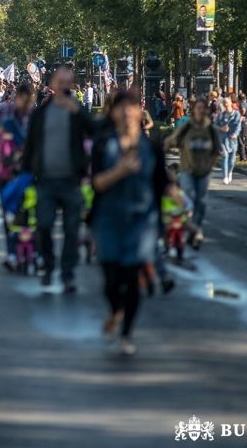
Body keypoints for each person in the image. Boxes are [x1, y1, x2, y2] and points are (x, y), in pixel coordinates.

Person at [90, 89, 168, 356]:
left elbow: (161, 186)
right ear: (112, 113)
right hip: (108, 219)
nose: (125, 112)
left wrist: (165, 218)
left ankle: (126, 334)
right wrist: (120, 171)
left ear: (139, 111)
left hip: (142, 220)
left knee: (132, 277)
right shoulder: (103, 145)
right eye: (120, 107)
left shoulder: (152, 148)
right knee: (112, 278)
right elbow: (97, 184)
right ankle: (115, 310)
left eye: (131, 106)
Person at [22, 67, 93, 293]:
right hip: (45, 180)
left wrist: (79, 113)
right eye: (59, 81)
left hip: (71, 180)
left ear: (71, 85)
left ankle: (68, 273)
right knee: (43, 225)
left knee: (72, 229)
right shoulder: (41, 113)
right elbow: (31, 144)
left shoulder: (77, 110)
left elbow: (96, 130)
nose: (63, 86)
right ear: (52, 83)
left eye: (67, 82)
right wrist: (25, 174)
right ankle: (48, 265)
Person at [0, 83, 35, 270]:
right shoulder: (4, 111)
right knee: (9, 213)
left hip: (29, 172)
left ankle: (31, 251)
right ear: (17, 97)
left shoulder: (34, 116)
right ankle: (11, 252)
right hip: (5, 172)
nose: (27, 104)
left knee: (30, 214)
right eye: (24, 99)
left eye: (30, 101)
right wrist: (3, 131)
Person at [165, 98, 221, 246]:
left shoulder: (211, 130)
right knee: (188, 198)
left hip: (204, 171)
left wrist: (210, 164)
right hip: (187, 170)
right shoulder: (186, 127)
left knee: (200, 202)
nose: (201, 111)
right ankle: (188, 228)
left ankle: (195, 228)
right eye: (198, 108)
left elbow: (217, 150)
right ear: (193, 110)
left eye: (204, 108)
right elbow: (172, 140)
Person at [216, 96, 242, 185]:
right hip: (223, 139)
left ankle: (230, 172)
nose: (226, 105)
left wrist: (235, 134)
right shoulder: (220, 115)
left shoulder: (236, 114)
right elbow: (215, 126)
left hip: (232, 139)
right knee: (225, 156)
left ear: (231, 103)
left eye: (227, 103)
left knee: (231, 160)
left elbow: (238, 126)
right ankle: (225, 177)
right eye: (224, 103)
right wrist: (221, 128)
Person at [236, 93, 247, 161]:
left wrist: (240, 115)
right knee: (246, 142)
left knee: (241, 141)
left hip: (243, 125)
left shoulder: (242, 104)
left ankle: (243, 157)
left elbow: (243, 110)